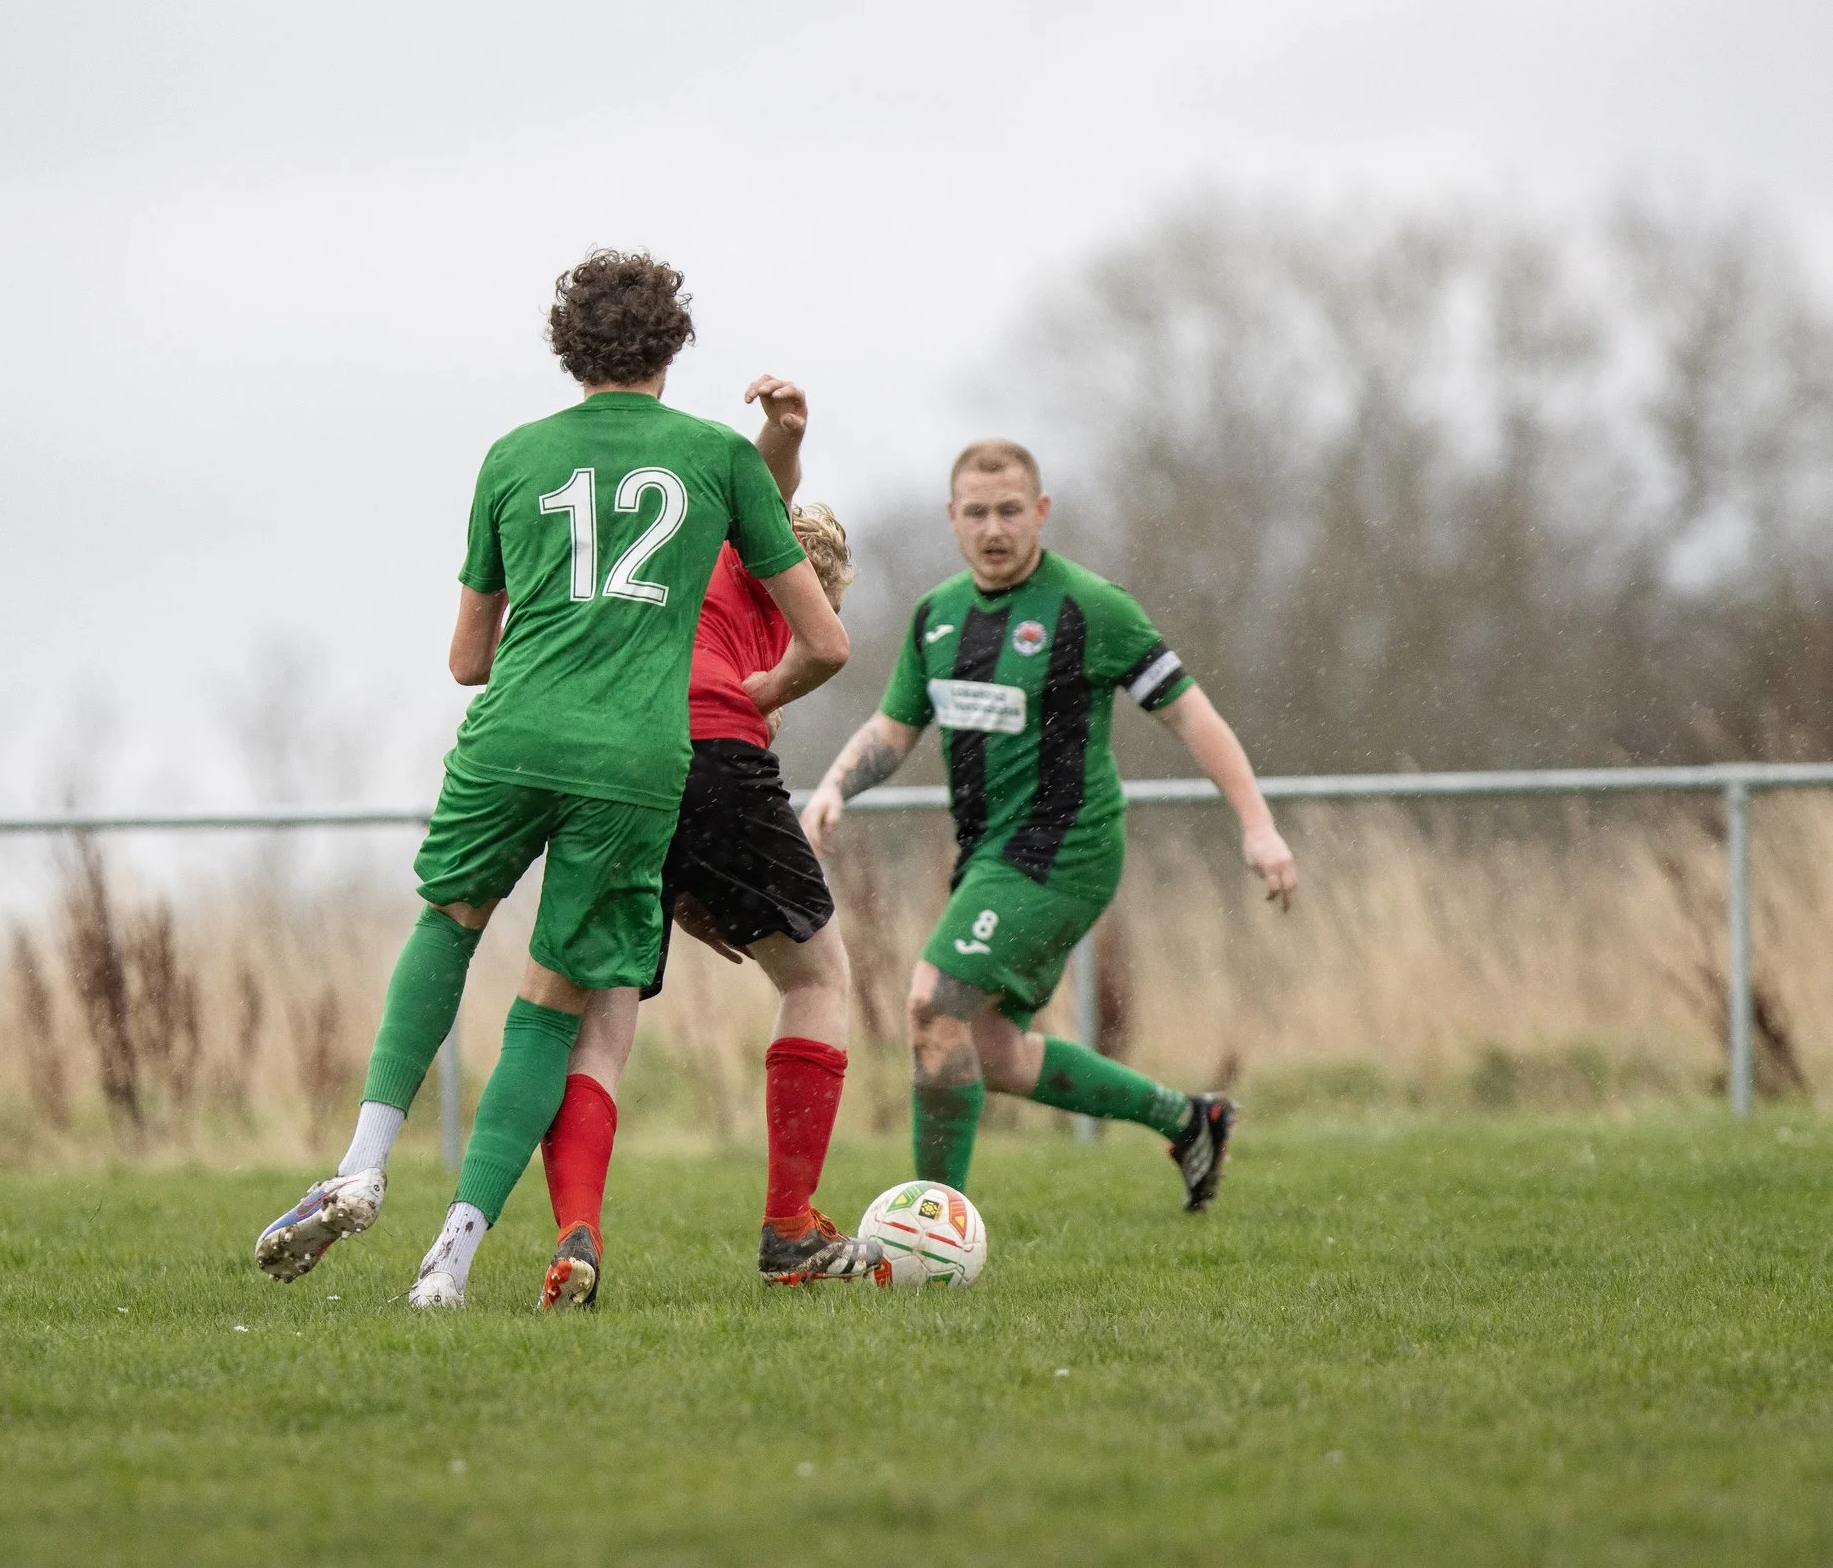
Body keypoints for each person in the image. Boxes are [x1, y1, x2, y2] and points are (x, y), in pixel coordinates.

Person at [253, 250, 849, 1307]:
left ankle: (360, 1161)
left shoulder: (511, 457)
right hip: (632, 759)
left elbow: (467, 659)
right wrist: (753, 693)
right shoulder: (716, 455)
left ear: (567, 349)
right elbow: (824, 644)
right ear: (672, 348)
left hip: (513, 734)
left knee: (447, 922)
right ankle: (453, 1257)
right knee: (551, 997)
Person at [803, 440, 1295, 1210]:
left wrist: (1257, 825)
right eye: (977, 513)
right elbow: (896, 729)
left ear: (1041, 512)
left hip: (1066, 851)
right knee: (992, 1053)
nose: (993, 529)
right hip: (990, 855)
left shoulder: (1090, 607)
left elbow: (1192, 716)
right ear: (952, 517)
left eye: (1009, 511)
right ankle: (1189, 1120)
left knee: (933, 1006)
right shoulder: (938, 617)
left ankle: (931, 1225)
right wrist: (835, 786)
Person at [532, 475, 883, 1310]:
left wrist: (683, 892)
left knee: (603, 1015)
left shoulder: (692, 559)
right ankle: (789, 1226)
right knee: (817, 977)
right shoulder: (782, 595)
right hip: (711, 751)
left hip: (611, 760)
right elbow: (807, 652)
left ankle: (576, 1234)